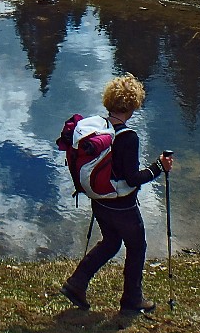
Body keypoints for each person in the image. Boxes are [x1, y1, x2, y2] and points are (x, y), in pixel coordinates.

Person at [61, 74, 172, 314]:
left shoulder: (97, 128)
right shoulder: (128, 137)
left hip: (99, 201)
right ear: (132, 106)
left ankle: (76, 283)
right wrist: (158, 167)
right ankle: (132, 299)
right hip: (123, 205)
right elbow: (133, 178)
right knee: (137, 246)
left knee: (111, 242)